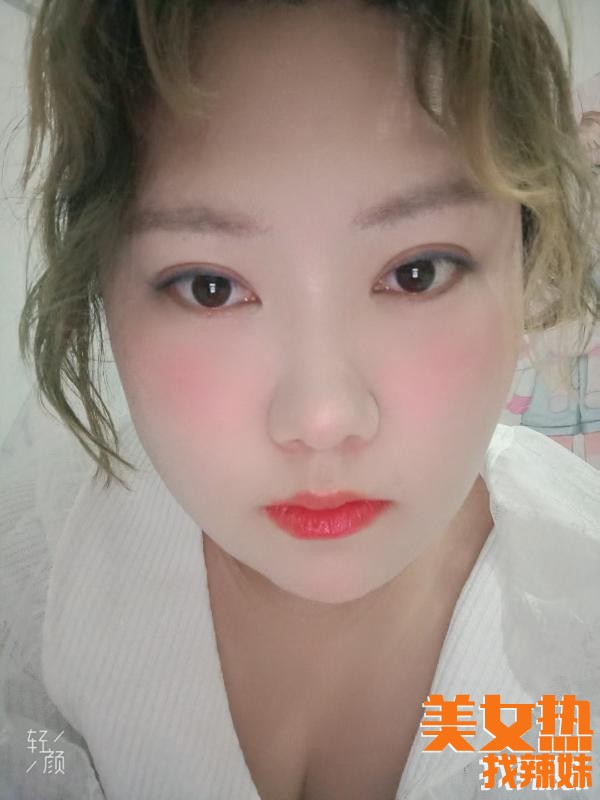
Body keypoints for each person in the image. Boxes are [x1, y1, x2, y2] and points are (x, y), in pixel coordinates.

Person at [1, 0, 600, 798]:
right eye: (209, 288)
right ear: (102, 288)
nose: (323, 420)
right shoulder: (43, 559)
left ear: (526, 266)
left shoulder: (579, 623)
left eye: (416, 272)